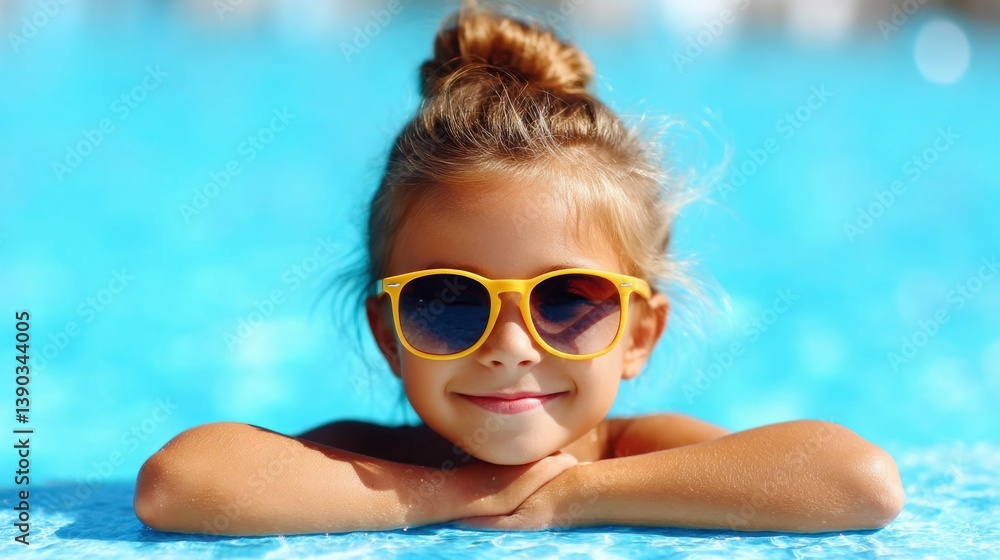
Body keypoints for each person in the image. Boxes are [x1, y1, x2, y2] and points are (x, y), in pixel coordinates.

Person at [133, 0, 904, 536]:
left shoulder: (636, 451)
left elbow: (857, 481)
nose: (510, 345)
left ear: (640, 335)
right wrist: (457, 491)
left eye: (568, 300)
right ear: (388, 334)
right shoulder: (381, 459)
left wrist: (575, 496)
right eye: (448, 302)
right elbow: (180, 484)